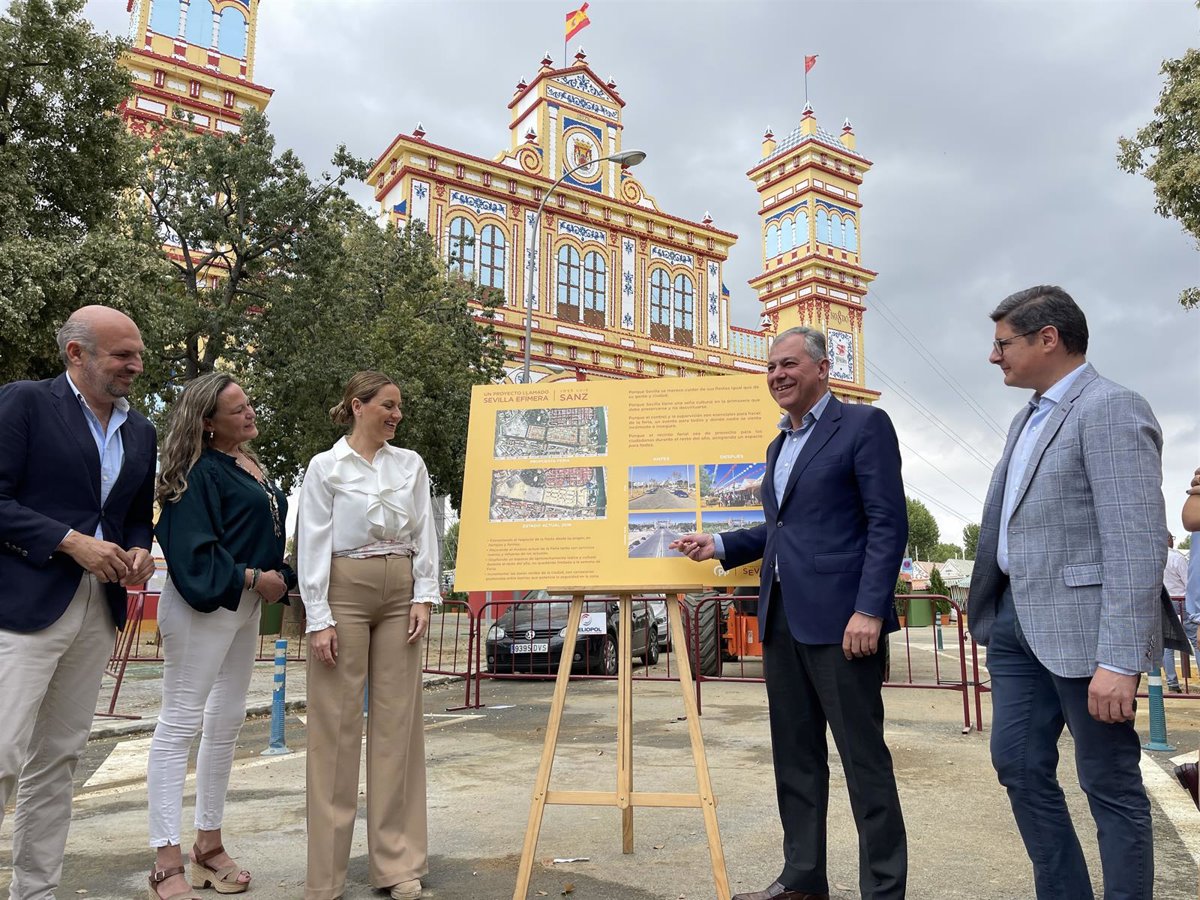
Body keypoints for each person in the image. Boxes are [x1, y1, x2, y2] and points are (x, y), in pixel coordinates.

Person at [967, 285, 1189, 899]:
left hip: (1086, 634)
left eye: (1003, 343)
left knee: (1108, 783)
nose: (993, 356)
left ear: (1048, 338)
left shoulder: (1111, 407)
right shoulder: (1028, 417)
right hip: (1015, 621)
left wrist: (1119, 659)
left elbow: (1136, 540)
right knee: (1017, 764)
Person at [671, 326, 908, 900]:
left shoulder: (864, 426)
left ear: (823, 368)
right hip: (782, 622)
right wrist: (720, 545)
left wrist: (869, 610)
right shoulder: (778, 446)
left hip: (844, 626)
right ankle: (802, 879)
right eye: (771, 366)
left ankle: (883, 889)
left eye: (789, 364)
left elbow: (887, 523)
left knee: (863, 763)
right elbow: (783, 531)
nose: (777, 374)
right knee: (795, 761)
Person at [0, 305, 156, 899]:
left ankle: (36, 891)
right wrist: (70, 541)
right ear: (76, 353)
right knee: (2, 754)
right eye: (122, 355)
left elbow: (134, 515)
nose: (135, 365)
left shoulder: (141, 431)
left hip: (98, 607)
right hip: (24, 605)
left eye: (138, 355)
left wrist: (139, 549)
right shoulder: (25, 402)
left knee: (59, 759)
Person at [147, 373, 294, 900]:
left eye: (249, 404)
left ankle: (208, 846)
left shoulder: (249, 465)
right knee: (180, 722)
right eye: (237, 409)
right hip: (203, 605)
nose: (250, 413)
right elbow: (192, 550)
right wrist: (253, 577)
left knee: (227, 720)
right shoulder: (197, 471)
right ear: (207, 422)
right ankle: (166, 860)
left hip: (245, 606)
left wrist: (274, 577)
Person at [296, 372, 438, 900]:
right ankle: (326, 877)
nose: (397, 415)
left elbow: (424, 530)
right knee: (334, 728)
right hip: (344, 590)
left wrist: (425, 594)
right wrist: (318, 616)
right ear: (358, 406)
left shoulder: (411, 464)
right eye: (388, 405)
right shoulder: (325, 467)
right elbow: (312, 540)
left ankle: (397, 865)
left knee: (398, 726)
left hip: (401, 590)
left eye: (399, 407)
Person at [1162, 533, 1189, 692]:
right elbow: (1189, 583)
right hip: (1182, 601)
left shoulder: (1157, 557)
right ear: (1168, 539)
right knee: (1195, 641)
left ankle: (1172, 682)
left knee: (1168, 646)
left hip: (1167, 602)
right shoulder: (1177, 558)